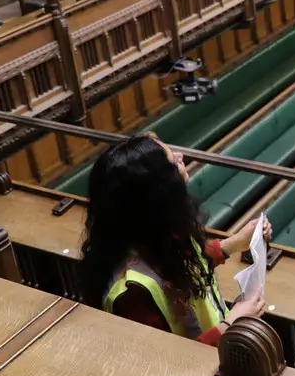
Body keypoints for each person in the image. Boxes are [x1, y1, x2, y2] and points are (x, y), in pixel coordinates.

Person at [79, 134, 270, 346]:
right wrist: (232, 323)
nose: (181, 155)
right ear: (159, 189)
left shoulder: (152, 230)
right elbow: (167, 365)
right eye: (172, 160)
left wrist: (234, 243)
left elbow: (181, 260)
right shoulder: (132, 295)